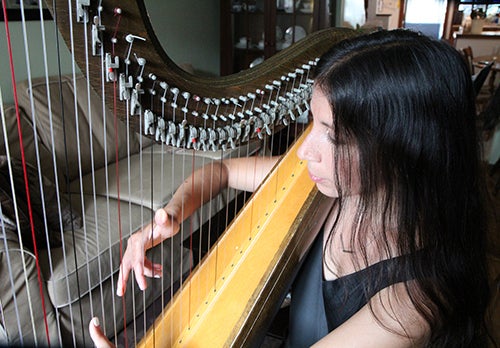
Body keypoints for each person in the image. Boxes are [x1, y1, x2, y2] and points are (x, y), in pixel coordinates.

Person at [89, 29, 492, 347]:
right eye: (312, 123)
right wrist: (171, 215)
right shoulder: (337, 184)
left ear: (401, 149)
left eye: (331, 134)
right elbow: (222, 172)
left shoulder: (412, 300)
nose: (303, 153)